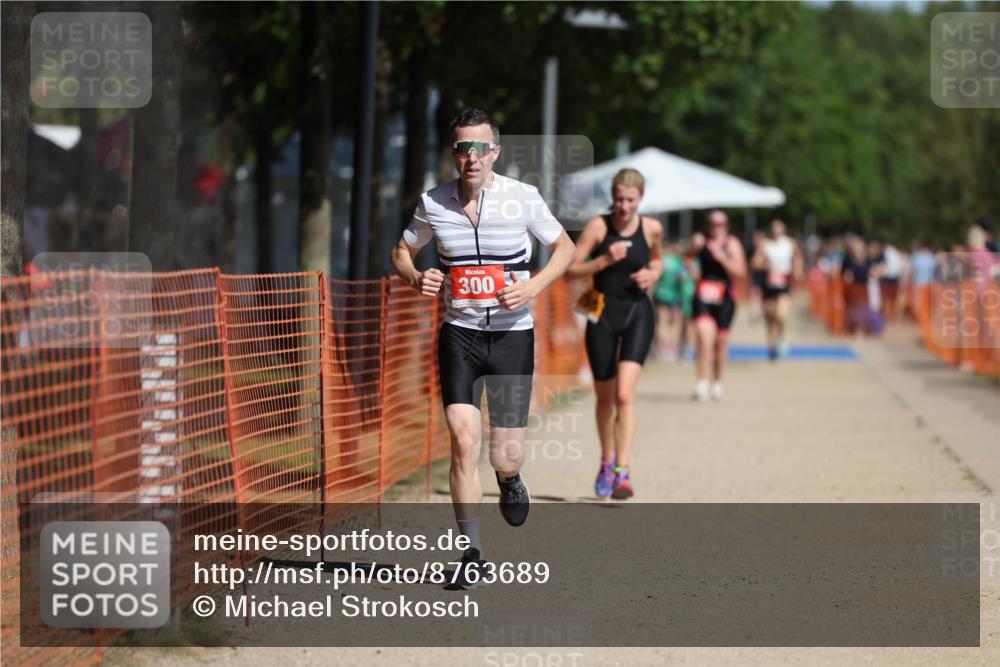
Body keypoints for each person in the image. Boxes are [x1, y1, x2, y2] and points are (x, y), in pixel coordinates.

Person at [391, 108, 576, 589]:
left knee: (504, 452)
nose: (470, 157)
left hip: (513, 334)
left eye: (479, 148)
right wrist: (416, 277)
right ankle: (471, 551)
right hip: (460, 334)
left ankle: (511, 479)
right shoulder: (433, 203)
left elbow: (566, 250)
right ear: (453, 153)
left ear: (494, 152)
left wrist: (532, 288)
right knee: (462, 439)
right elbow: (402, 252)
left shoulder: (523, 198)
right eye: (461, 148)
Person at [567, 168, 663, 499]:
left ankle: (623, 471)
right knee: (605, 397)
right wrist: (603, 260)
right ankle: (606, 460)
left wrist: (652, 275)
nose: (623, 206)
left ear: (641, 199)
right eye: (619, 199)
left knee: (624, 394)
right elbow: (569, 269)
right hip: (601, 313)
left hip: (638, 312)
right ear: (612, 197)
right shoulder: (598, 226)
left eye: (630, 200)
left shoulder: (651, 228)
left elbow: (658, 262)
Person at [687, 210, 747, 401]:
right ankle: (702, 382)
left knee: (720, 343)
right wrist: (692, 267)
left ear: (726, 225)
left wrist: (722, 257)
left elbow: (740, 272)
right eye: (713, 223)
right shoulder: (700, 240)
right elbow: (687, 257)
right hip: (703, 294)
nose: (716, 227)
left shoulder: (733, 244)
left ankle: (718, 382)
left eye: (720, 224)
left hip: (725, 297)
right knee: (704, 339)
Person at [751, 218, 802, 360]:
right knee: (770, 317)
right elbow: (754, 263)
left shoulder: (790, 243)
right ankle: (771, 346)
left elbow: (798, 258)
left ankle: (781, 337)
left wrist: (797, 270)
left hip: (783, 284)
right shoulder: (765, 245)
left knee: (780, 315)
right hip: (768, 285)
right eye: (774, 229)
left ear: (783, 230)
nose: (776, 232)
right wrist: (764, 265)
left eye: (779, 229)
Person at [653, 237, 688, 361]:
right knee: (675, 323)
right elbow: (683, 278)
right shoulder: (678, 262)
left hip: (660, 294)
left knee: (662, 322)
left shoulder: (661, 261)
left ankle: (663, 348)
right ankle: (671, 348)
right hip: (674, 295)